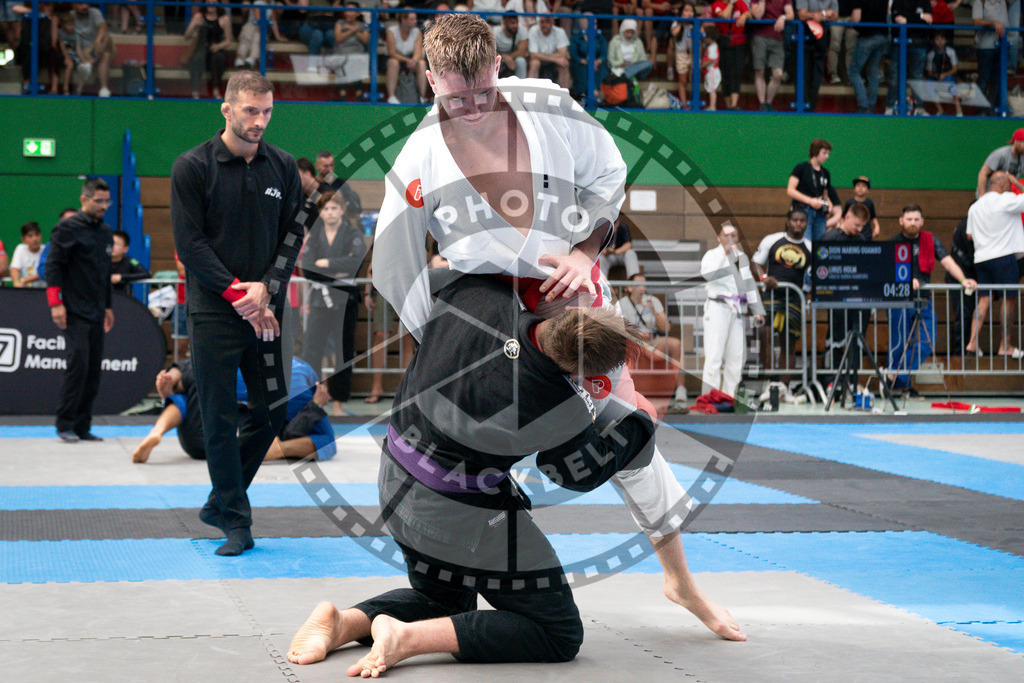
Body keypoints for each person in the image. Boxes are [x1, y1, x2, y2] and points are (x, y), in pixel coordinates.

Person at [371, 12, 746, 642]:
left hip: (568, 294)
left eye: (482, 91)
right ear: (430, 79)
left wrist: (584, 251)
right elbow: (393, 262)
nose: (471, 107)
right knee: (493, 438)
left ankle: (679, 578)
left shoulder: (547, 105)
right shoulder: (417, 160)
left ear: (498, 65)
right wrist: (436, 336)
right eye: (456, 97)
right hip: (487, 310)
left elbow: (609, 175)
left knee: (630, 431)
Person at [285, 275, 723, 675]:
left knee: (443, 599)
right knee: (558, 632)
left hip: (394, 479)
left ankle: (345, 622)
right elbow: (577, 473)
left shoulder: (476, 294)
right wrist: (641, 421)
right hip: (457, 516)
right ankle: (406, 639)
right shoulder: (559, 405)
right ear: (579, 375)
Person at [171, 71, 303, 557]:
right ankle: (235, 521)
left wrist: (266, 289)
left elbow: (292, 237)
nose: (260, 120)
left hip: (266, 311)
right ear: (226, 109)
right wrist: (236, 294)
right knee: (218, 417)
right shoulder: (192, 166)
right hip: (214, 312)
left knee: (273, 411)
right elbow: (190, 244)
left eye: (267, 111)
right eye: (251, 110)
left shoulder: (282, 166)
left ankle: (219, 500)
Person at [132, 356, 337, 463]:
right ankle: (279, 449)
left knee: (186, 392)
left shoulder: (295, 365)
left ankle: (156, 431)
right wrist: (316, 406)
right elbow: (324, 441)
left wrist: (169, 386)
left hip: (226, 395)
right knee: (325, 439)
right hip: (273, 399)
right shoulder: (306, 383)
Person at [45, 177, 114, 443]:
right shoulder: (67, 228)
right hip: (73, 311)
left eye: (107, 201)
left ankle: (83, 426)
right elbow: (53, 266)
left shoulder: (106, 232)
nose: (104, 206)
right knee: (79, 365)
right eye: (99, 201)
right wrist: (56, 303)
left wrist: (108, 306)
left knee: (93, 370)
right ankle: (65, 424)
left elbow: (104, 273)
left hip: (97, 311)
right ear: (84, 200)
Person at [887, 204, 977, 398]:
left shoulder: (931, 240)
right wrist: (905, 280)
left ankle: (894, 377)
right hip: (899, 301)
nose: (912, 223)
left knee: (927, 342)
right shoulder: (893, 243)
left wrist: (963, 280)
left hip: (923, 300)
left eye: (916, 219)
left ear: (922, 221)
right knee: (899, 343)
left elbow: (948, 262)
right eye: (909, 219)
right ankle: (901, 386)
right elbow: (885, 272)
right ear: (901, 221)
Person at [300, 190, 368, 416]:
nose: (330, 212)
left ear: (342, 210)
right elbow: (308, 268)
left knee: (343, 352)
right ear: (320, 212)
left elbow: (355, 263)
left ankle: (338, 403)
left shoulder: (352, 233)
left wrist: (326, 262)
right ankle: (313, 399)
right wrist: (336, 269)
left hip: (344, 300)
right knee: (312, 350)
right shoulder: (315, 235)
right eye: (326, 208)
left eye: (334, 208)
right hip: (319, 300)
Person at [751, 207, 811, 398]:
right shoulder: (772, 240)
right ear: (788, 221)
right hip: (770, 296)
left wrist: (806, 295)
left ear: (806, 224)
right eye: (795, 220)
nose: (798, 224)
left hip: (794, 299)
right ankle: (772, 383)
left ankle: (784, 387)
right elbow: (756, 263)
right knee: (764, 335)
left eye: (802, 221)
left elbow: (814, 276)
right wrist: (764, 278)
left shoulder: (810, 247)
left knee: (789, 344)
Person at [700, 224, 765, 396]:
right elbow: (708, 275)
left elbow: (749, 284)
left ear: (737, 238)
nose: (730, 239)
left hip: (737, 310)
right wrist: (724, 255)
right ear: (719, 238)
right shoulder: (712, 256)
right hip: (717, 308)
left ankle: (729, 397)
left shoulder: (742, 257)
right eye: (726, 235)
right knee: (714, 356)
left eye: (733, 235)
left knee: (736, 357)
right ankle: (710, 398)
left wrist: (757, 310)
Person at [965, 171, 1024, 358]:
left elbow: (969, 235)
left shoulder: (975, 207)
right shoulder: (1005, 199)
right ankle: (1005, 346)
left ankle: (972, 343)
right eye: (1009, 184)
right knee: (1009, 299)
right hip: (1003, 256)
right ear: (1002, 185)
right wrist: (1017, 183)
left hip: (981, 258)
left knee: (984, 299)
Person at [615, 273, 688, 408]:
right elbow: (617, 329)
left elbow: (666, 328)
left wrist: (655, 311)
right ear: (629, 288)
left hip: (653, 340)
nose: (642, 288)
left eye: (644, 285)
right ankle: (623, 393)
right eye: (638, 285)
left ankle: (681, 390)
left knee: (675, 344)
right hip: (632, 341)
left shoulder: (653, 301)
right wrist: (636, 335)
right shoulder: (622, 304)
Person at [822, 203, 869, 376]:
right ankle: (831, 378)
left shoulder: (861, 240)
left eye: (862, 226)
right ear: (847, 217)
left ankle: (852, 380)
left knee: (856, 339)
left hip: (856, 298)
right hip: (835, 298)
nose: (859, 229)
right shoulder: (830, 238)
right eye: (857, 225)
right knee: (835, 338)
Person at [787, 138, 841, 241]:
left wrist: (829, 204)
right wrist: (810, 201)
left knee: (820, 242)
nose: (827, 156)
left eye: (828, 153)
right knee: (805, 241)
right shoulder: (801, 168)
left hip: (820, 214)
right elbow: (790, 190)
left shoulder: (825, 173)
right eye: (824, 153)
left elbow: (825, 194)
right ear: (816, 152)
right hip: (804, 211)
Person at [884, 0, 932, 116]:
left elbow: (929, 19)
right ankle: (890, 106)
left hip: (919, 44)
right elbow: (898, 19)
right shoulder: (898, 1)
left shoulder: (925, 2)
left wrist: (908, 19)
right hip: (899, 44)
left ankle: (920, 108)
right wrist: (920, 16)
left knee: (917, 77)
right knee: (895, 76)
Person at [750, 0, 794, 111]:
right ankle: (762, 104)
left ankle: (769, 103)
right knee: (760, 71)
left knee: (778, 74)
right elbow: (758, 16)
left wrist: (783, 17)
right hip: (760, 37)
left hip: (777, 38)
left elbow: (791, 14)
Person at [848, 0, 889, 113]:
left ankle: (863, 105)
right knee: (872, 73)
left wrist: (850, 22)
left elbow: (856, 18)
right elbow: (887, 12)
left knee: (853, 72)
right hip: (882, 35)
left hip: (867, 36)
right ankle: (870, 107)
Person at [795, 0, 837, 111]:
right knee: (803, 71)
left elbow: (835, 16)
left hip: (821, 39)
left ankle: (811, 106)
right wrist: (824, 14)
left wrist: (820, 16)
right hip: (804, 36)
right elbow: (802, 15)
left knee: (817, 73)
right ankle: (803, 106)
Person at [184, 3, 232, 99]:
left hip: (216, 48)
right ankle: (195, 90)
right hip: (201, 48)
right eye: (209, 1)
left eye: (214, 2)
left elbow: (228, 40)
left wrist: (218, 46)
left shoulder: (224, 19)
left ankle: (215, 90)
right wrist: (195, 26)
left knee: (217, 58)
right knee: (197, 58)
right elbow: (186, 36)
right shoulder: (198, 17)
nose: (211, 4)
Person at [711, 0, 752, 111]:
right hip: (723, 42)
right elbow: (724, 15)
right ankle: (728, 105)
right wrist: (731, 3)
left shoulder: (741, 3)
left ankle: (734, 105)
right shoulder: (716, 4)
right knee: (725, 73)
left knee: (736, 72)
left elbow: (749, 13)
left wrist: (744, 16)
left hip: (739, 43)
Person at [973, 0, 1009, 115]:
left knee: (996, 80)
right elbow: (976, 22)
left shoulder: (1002, 2)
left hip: (1001, 46)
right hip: (985, 47)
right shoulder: (980, 2)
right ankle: (982, 110)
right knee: (984, 79)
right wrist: (993, 23)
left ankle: (991, 109)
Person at [71, 2, 114, 97]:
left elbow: (103, 26)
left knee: (107, 38)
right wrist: (82, 58)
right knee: (105, 55)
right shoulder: (71, 16)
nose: (85, 6)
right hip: (87, 51)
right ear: (74, 5)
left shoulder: (95, 12)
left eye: (86, 3)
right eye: (81, 4)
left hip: (100, 45)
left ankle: (90, 64)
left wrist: (98, 40)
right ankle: (104, 88)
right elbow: (76, 44)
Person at [385, 10, 427, 104]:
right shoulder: (391, 31)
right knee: (393, 62)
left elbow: (418, 53)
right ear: (403, 20)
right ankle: (391, 96)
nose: (415, 21)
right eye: (412, 19)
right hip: (397, 59)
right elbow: (392, 52)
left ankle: (422, 97)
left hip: (411, 60)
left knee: (422, 63)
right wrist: (408, 60)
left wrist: (414, 61)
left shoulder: (417, 32)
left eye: (415, 19)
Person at [235, 0, 285, 69]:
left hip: (262, 27)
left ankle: (251, 59)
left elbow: (273, 21)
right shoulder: (257, 2)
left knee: (258, 38)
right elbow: (258, 20)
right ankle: (239, 59)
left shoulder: (272, 3)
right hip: (252, 24)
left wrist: (278, 36)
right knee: (246, 37)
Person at [568, 13, 608, 100]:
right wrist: (588, 63)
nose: (595, 26)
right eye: (593, 23)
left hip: (597, 64)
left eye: (596, 23)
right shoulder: (575, 38)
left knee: (602, 67)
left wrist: (597, 61)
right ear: (584, 24)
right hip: (581, 64)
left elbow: (604, 54)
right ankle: (590, 93)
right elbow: (574, 55)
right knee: (583, 69)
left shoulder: (600, 38)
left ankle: (599, 91)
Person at [925, 31, 963, 117]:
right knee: (928, 83)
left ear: (945, 41)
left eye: (942, 39)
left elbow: (955, 69)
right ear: (933, 41)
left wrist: (945, 75)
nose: (940, 42)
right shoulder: (931, 54)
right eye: (937, 39)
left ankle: (958, 109)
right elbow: (929, 72)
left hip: (949, 76)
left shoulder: (951, 52)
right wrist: (936, 76)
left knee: (950, 83)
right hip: (936, 77)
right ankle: (940, 109)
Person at [977, 129, 1024, 198]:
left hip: (1004, 197)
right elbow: (983, 173)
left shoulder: (1022, 157)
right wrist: (981, 196)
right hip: (989, 196)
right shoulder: (1001, 154)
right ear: (1016, 142)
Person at [527, 14, 571, 88]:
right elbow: (533, 55)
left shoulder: (560, 32)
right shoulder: (533, 30)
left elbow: (562, 54)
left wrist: (540, 55)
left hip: (552, 61)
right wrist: (555, 59)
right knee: (534, 63)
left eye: (547, 22)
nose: (544, 25)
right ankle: (530, 92)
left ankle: (564, 93)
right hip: (541, 60)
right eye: (542, 22)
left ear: (552, 23)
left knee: (564, 63)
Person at [608, 18, 653, 82]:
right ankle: (627, 75)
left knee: (649, 64)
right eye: (627, 32)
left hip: (634, 66)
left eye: (632, 32)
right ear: (622, 30)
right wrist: (621, 64)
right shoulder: (614, 41)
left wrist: (633, 64)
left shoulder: (638, 42)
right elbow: (611, 61)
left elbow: (642, 59)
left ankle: (626, 75)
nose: (629, 35)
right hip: (619, 67)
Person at [109, 229, 151, 296]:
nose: (113, 246)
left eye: (117, 244)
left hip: (123, 297)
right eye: (111, 242)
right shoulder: (101, 261)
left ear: (125, 249)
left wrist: (121, 277)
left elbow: (146, 274)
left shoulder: (129, 262)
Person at [669, 2, 696, 105]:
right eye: (686, 10)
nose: (689, 13)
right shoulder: (676, 23)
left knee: (693, 80)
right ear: (681, 12)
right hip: (681, 54)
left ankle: (694, 104)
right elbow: (674, 32)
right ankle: (684, 105)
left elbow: (702, 33)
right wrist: (681, 22)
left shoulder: (696, 23)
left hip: (693, 54)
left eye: (691, 11)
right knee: (683, 81)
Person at [827, 0, 857, 84]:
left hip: (852, 15)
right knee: (834, 46)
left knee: (851, 47)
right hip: (835, 16)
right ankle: (832, 74)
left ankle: (851, 76)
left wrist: (856, 14)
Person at [842, 175, 880, 240]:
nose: (860, 188)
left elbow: (873, 217)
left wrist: (877, 227)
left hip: (866, 234)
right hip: (852, 234)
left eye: (863, 186)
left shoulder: (869, 203)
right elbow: (843, 218)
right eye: (858, 185)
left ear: (868, 190)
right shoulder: (849, 202)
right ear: (854, 189)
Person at [494, 11, 529, 79]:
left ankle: (521, 83)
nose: (515, 26)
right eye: (512, 23)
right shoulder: (495, 32)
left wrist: (508, 58)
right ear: (504, 23)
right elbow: (490, 52)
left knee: (521, 61)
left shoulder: (522, 30)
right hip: (498, 57)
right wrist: (502, 58)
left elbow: (522, 52)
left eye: (517, 22)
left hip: (513, 58)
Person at [10, 221, 44, 288]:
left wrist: (24, 281)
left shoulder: (46, 250)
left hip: (43, 291)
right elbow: (14, 269)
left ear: (41, 236)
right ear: (23, 239)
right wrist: (16, 282)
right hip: (24, 292)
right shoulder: (20, 248)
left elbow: (44, 272)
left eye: (37, 235)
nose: (35, 239)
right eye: (30, 236)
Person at [700, 23, 721, 110]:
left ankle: (712, 106)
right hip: (709, 71)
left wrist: (701, 66)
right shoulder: (710, 46)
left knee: (712, 89)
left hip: (712, 71)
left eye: (705, 37)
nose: (704, 39)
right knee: (710, 89)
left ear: (709, 37)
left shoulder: (712, 47)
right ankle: (711, 106)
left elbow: (710, 60)